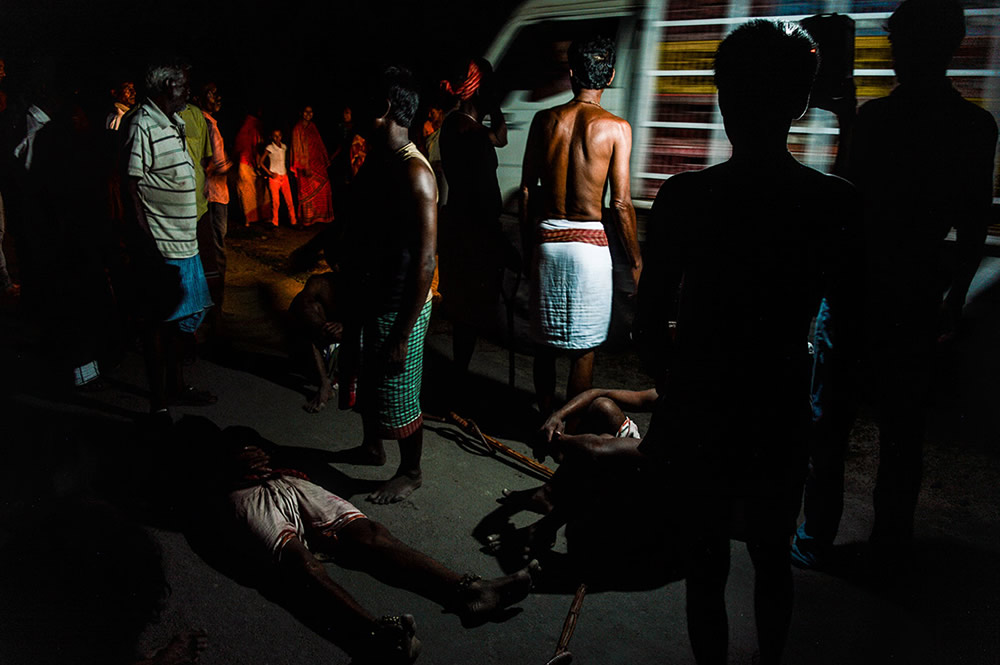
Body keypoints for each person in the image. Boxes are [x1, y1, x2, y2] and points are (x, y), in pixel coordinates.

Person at [636, 21, 858, 665]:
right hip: (780, 403)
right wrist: (824, 422)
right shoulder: (833, 204)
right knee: (771, 560)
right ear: (799, 102)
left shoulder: (684, 199)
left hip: (702, 407)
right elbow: (850, 332)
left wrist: (680, 389)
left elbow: (649, 327)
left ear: (722, 96)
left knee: (704, 565)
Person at [793, 0, 998, 571]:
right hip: (915, 297)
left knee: (828, 426)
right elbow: (974, 222)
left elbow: (843, 201)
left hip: (856, 292)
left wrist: (845, 123)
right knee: (902, 436)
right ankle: (889, 546)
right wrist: (951, 299)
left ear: (904, 47)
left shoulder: (878, 120)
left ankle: (815, 539)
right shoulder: (975, 126)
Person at [171, 418, 537, 665]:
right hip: (246, 500)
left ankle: (470, 591)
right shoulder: (189, 457)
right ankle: (376, 636)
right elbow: (192, 495)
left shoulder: (236, 434)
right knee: (302, 564)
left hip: (286, 484)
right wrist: (226, 467)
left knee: (372, 536)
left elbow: (273, 453)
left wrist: (258, 456)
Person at [519, 35, 642, 416]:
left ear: (571, 74)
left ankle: (543, 417)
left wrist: (529, 246)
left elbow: (526, 190)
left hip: (548, 241)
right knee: (583, 348)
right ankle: (568, 427)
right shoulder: (617, 128)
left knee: (544, 342)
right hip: (589, 247)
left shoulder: (544, 120)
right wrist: (636, 262)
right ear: (611, 76)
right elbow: (620, 204)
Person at [335, 67, 437, 505]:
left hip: (401, 303)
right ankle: (373, 448)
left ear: (383, 109)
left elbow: (426, 260)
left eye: (361, 104)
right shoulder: (379, 160)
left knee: (398, 389)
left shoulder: (415, 172)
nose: (351, 112)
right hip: (372, 293)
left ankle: (410, 470)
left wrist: (403, 332)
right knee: (365, 377)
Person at [122, 60, 216, 416]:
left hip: (183, 242)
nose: (187, 91)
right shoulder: (141, 123)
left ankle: (176, 388)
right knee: (159, 325)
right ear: (163, 87)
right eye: (181, 85)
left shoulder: (173, 121)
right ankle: (159, 404)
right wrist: (147, 245)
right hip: (162, 245)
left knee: (179, 325)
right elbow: (131, 188)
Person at [437, 57, 512, 384]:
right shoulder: (466, 130)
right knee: (468, 310)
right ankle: (457, 381)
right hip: (470, 229)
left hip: (463, 225)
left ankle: (457, 377)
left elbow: (502, 137)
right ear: (473, 92)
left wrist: (492, 105)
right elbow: (484, 192)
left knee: (466, 310)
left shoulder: (464, 126)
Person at [196, 82, 232, 333]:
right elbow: (214, 163)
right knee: (215, 255)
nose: (217, 96)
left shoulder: (204, 122)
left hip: (211, 195)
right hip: (212, 196)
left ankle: (212, 311)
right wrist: (227, 165)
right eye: (212, 93)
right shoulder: (206, 123)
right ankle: (214, 314)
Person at [289, 271, 344, 413]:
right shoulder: (319, 282)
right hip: (328, 340)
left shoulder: (365, 281)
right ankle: (325, 383)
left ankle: (339, 377)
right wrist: (321, 326)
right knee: (304, 309)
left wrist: (347, 326)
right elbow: (303, 306)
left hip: (354, 341)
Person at [290, 105, 334, 225]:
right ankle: (307, 219)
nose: (308, 114)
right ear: (301, 113)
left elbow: (319, 144)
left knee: (325, 187)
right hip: (304, 166)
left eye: (311, 112)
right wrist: (305, 166)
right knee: (306, 193)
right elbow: (297, 149)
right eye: (306, 111)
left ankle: (321, 217)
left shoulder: (313, 127)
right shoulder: (297, 129)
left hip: (317, 164)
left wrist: (325, 159)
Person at [233, 108, 268, 226]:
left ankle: (253, 218)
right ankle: (250, 219)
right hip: (247, 164)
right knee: (248, 191)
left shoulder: (246, 129)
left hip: (247, 163)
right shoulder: (252, 129)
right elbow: (256, 147)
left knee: (250, 191)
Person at [260, 128, 297, 227]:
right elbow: (261, 162)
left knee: (289, 200)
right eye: (275, 136)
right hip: (274, 177)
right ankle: (275, 222)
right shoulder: (270, 148)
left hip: (284, 176)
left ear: (281, 136)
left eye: (279, 135)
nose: (277, 138)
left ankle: (293, 221)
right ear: (272, 137)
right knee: (276, 201)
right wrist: (269, 173)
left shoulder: (284, 147)